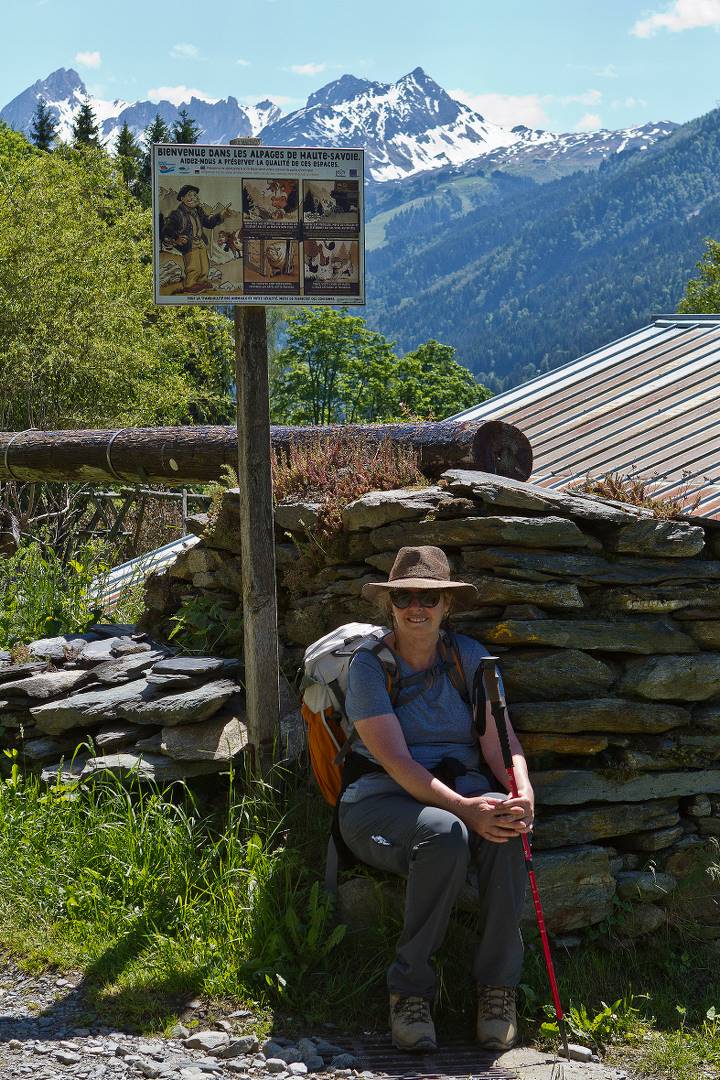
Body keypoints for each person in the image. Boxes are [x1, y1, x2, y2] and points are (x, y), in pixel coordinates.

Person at [338, 545, 533, 1054]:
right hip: (378, 799)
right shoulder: (369, 666)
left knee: (506, 825)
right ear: (391, 604)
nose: (415, 607)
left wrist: (521, 791)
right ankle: (409, 993)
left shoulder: (469, 658)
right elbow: (399, 764)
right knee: (443, 833)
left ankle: (498, 992)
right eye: (404, 596)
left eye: (429, 596)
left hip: (458, 790)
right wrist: (466, 810)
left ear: (448, 605)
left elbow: (501, 744)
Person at [161, 185, 232, 291]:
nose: (194, 198)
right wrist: (176, 237)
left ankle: (202, 282)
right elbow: (167, 229)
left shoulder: (198, 211)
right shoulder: (177, 214)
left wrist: (221, 216)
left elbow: (208, 223)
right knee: (194, 266)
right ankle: (190, 284)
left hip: (200, 241)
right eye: (189, 195)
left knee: (204, 265)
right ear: (182, 198)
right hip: (189, 243)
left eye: (195, 195)